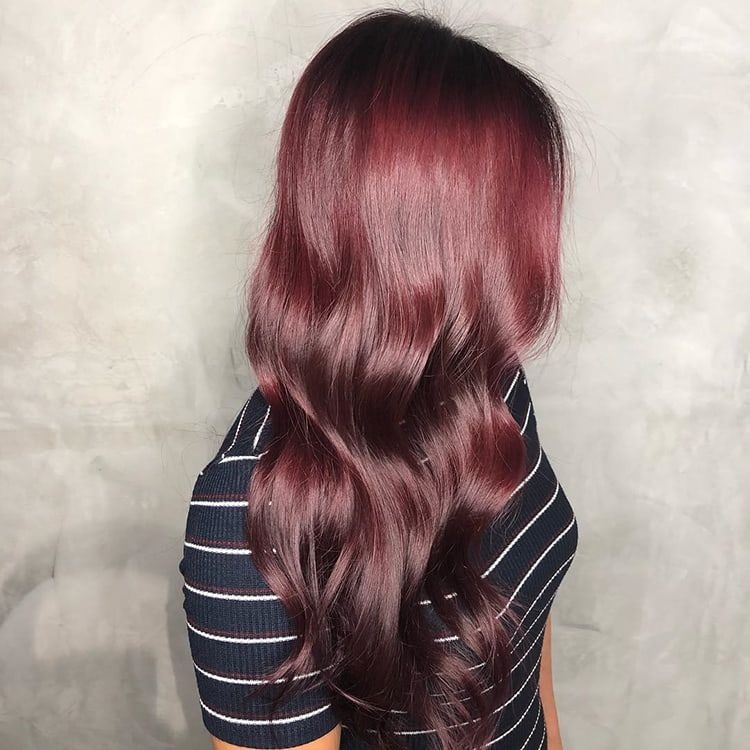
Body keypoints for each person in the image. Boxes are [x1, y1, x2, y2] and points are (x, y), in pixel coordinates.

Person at [179, 8, 578, 750]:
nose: (541, 246)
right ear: (430, 238)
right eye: (515, 216)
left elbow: (522, 640)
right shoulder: (252, 523)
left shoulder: (487, 378)